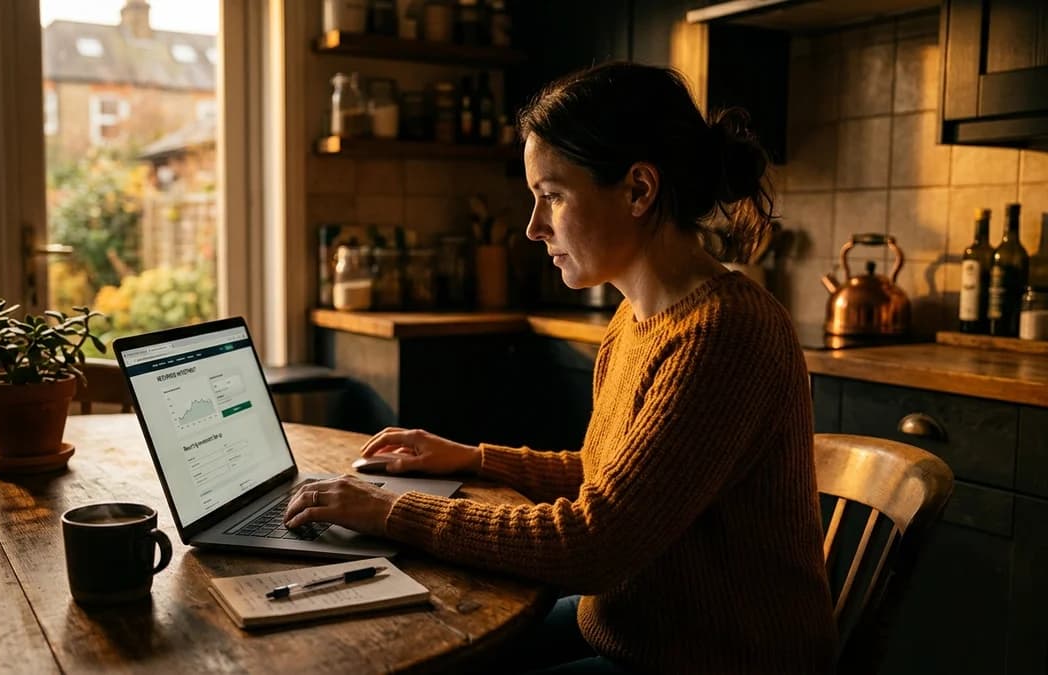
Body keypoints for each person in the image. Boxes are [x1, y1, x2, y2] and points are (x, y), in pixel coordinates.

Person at [284, 62, 837, 673]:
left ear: (638, 190)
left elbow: (592, 544)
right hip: (631, 628)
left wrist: (389, 511)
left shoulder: (725, 334)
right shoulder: (636, 318)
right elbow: (614, 480)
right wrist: (473, 458)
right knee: (417, 638)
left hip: (712, 659)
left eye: (552, 196)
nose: (533, 226)